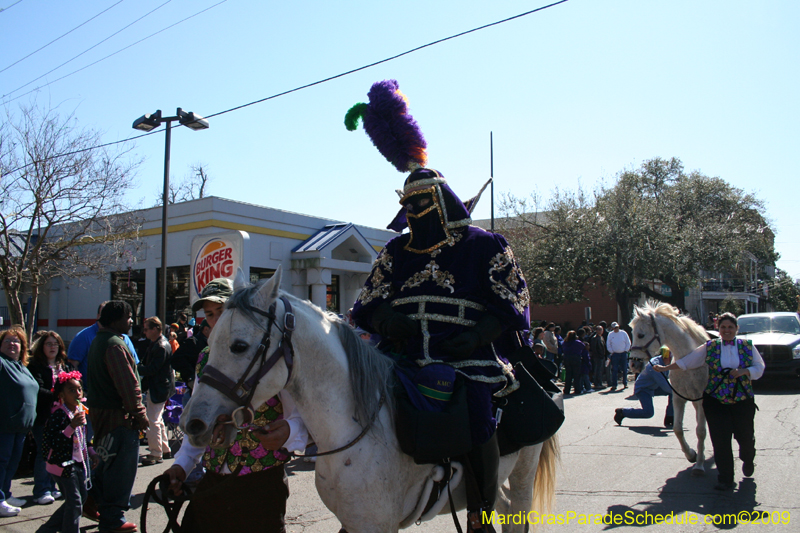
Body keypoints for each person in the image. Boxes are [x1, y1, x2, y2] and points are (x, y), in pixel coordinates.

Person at [352, 168, 530, 532]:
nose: (411, 211)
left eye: (419, 202)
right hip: (402, 352)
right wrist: (386, 319)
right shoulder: (395, 250)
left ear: (439, 200)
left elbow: (513, 298)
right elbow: (368, 301)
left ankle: (480, 512)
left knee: (477, 408)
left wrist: (479, 334)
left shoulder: (484, 244)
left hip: (465, 352)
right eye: (406, 204)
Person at [163, 278, 308, 533]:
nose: (217, 319)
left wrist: (289, 431)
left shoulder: (268, 353)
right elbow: (199, 417)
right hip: (214, 479)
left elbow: (300, 415)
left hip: (261, 482)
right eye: (209, 314)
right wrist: (182, 465)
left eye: (223, 310)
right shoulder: (205, 358)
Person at [654, 312, 765, 491]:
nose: (727, 330)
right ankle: (725, 479)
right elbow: (687, 362)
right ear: (718, 329)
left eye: (730, 327)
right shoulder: (710, 347)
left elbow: (759, 367)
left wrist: (745, 371)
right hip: (716, 400)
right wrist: (665, 368)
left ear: (736, 329)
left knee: (745, 438)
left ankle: (748, 458)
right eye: (723, 327)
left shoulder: (747, 346)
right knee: (720, 441)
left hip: (741, 399)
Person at [85, 300, 149, 533]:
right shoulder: (114, 345)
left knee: (105, 463)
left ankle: (91, 501)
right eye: (129, 316)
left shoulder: (99, 341)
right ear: (115, 319)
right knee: (120, 470)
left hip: (103, 417)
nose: (132, 321)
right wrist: (140, 415)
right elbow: (128, 386)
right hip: (119, 419)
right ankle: (113, 517)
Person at [37, 370, 97, 533]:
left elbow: (83, 438)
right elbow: (54, 442)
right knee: (75, 502)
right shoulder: (59, 415)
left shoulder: (79, 411)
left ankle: (47, 530)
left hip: (76, 463)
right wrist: (71, 426)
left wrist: (91, 452)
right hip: (61, 465)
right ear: (62, 395)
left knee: (81, 498)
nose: (77, 393)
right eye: (72, 390)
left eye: (79, 389)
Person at [28, 331, 71, 505]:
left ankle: (53, 486)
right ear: (42, 346)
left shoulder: (64, 365)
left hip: (62, 417)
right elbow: (38, 389)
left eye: (56, 344)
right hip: (44, 416)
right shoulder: (35, 366)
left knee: (58, 452)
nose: (53, 347)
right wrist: (58, 396)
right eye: (49, 344)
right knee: (44, 453)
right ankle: (41, 490)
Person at [0, 326, 39, 517]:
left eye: (16, 341)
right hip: (4, 425)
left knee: (12, 462)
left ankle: (5, 494)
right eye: (7, 341)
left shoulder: (22, 367)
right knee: (2, 462)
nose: (12, 344)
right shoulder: (2, 363)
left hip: (21, 427)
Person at [137, 317, 175, 466]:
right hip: (160, 387)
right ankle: (164, 449)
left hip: (158, 387)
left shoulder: (160, 346)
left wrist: (136, 368)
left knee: (152, 420)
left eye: (146, 329)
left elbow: (152, 369)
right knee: (157, 419)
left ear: (155, 329)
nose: (144, 332)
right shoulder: (158, 343)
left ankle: (155, 453)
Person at [614, 346, 674, 427]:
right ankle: (622, 412)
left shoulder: (664, 363)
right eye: (670, 357)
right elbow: (664, 385)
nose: (671, 360)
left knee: (673, 393)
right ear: (665, 357)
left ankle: (670, 417)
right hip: (643, 389)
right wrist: (681, 394)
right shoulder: (655, 366)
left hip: (653, 387)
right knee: (648, 413)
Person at [606, 322, 631, 391]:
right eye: (615, 328)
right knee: (614, 370)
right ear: (612, 328)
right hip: (615, 354)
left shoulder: (623, 333)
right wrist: (612, 351)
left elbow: (628, 342)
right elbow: (608, 344)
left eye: (617, 327)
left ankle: (625, 383)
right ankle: (614, 384)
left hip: (623, 353)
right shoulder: (610, 334)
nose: (616, 329)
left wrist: (626, 350)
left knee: (624, 369)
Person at [560, 331, 586, 396]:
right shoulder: (577, 342)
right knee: (576, 375)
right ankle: (577, 389)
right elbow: (583, 346)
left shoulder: (565, 342)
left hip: (567, 359)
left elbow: (562, 347)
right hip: (576, 358)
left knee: (568, 375)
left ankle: (567, 390)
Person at [589, 325, 607, 390]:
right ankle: (597, 383)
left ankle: (600, 382)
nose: (600, 331)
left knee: (601, 370)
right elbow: (594, 348)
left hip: (602, 356)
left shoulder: (601, 337)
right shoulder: (595, 338)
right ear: (596, 330)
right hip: (597, 357)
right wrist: (597, 355)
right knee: (597, 370)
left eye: (601, 329)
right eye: (599, 330)